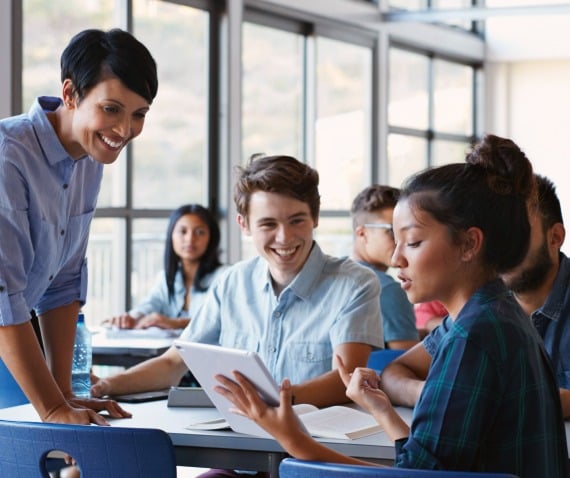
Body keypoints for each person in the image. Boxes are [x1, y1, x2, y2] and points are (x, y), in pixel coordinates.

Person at [213, 135, 568, 477]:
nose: (396, 258)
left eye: (412, 242)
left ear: (469, 244)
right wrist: (382, 410)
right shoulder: (488, 312)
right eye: (395, 242)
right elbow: (426, 465)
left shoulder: (474, 335)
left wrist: (293, 439)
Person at [92, 154, 383, 475]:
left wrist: (262, 403)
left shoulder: (355, 283)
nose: (284, 238)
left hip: (316, 461)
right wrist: (105, 385)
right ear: (244, 224)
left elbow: (346, 380)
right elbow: (175, 363)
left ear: (315, 217)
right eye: (268, 224)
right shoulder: (231, 282)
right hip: (242, 457)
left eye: (296, 220)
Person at [0, 28, 158, 425]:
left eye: (138, 114)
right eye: (111, 109)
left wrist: (64, 395)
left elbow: (63, 283)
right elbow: (4, 295)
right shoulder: (9, 157)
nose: (124, 130)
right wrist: (53, 408)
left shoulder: (89, 158)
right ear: (71, 94)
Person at [501, 174, 570, 418]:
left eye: (518, 236)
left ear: (555, 237)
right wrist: (428, 392)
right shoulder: (488, 299)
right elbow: (398, 371)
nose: (504, 251)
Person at [105, 204, 225, 330]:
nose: (190, 239)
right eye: (182, 232)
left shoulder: (225, 276)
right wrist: (131, 317)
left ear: (211, 238)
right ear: (171, 236)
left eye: (199, 232)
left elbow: (220, 319)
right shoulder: (167, 277)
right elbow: (151, 303)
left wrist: (174, 323)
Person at [350, 184, 419, 349]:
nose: (402, 241)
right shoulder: (386, 289)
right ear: (362, 234)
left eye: (407, 232)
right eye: (392, 232)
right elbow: (407, 360)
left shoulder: (335, 277)